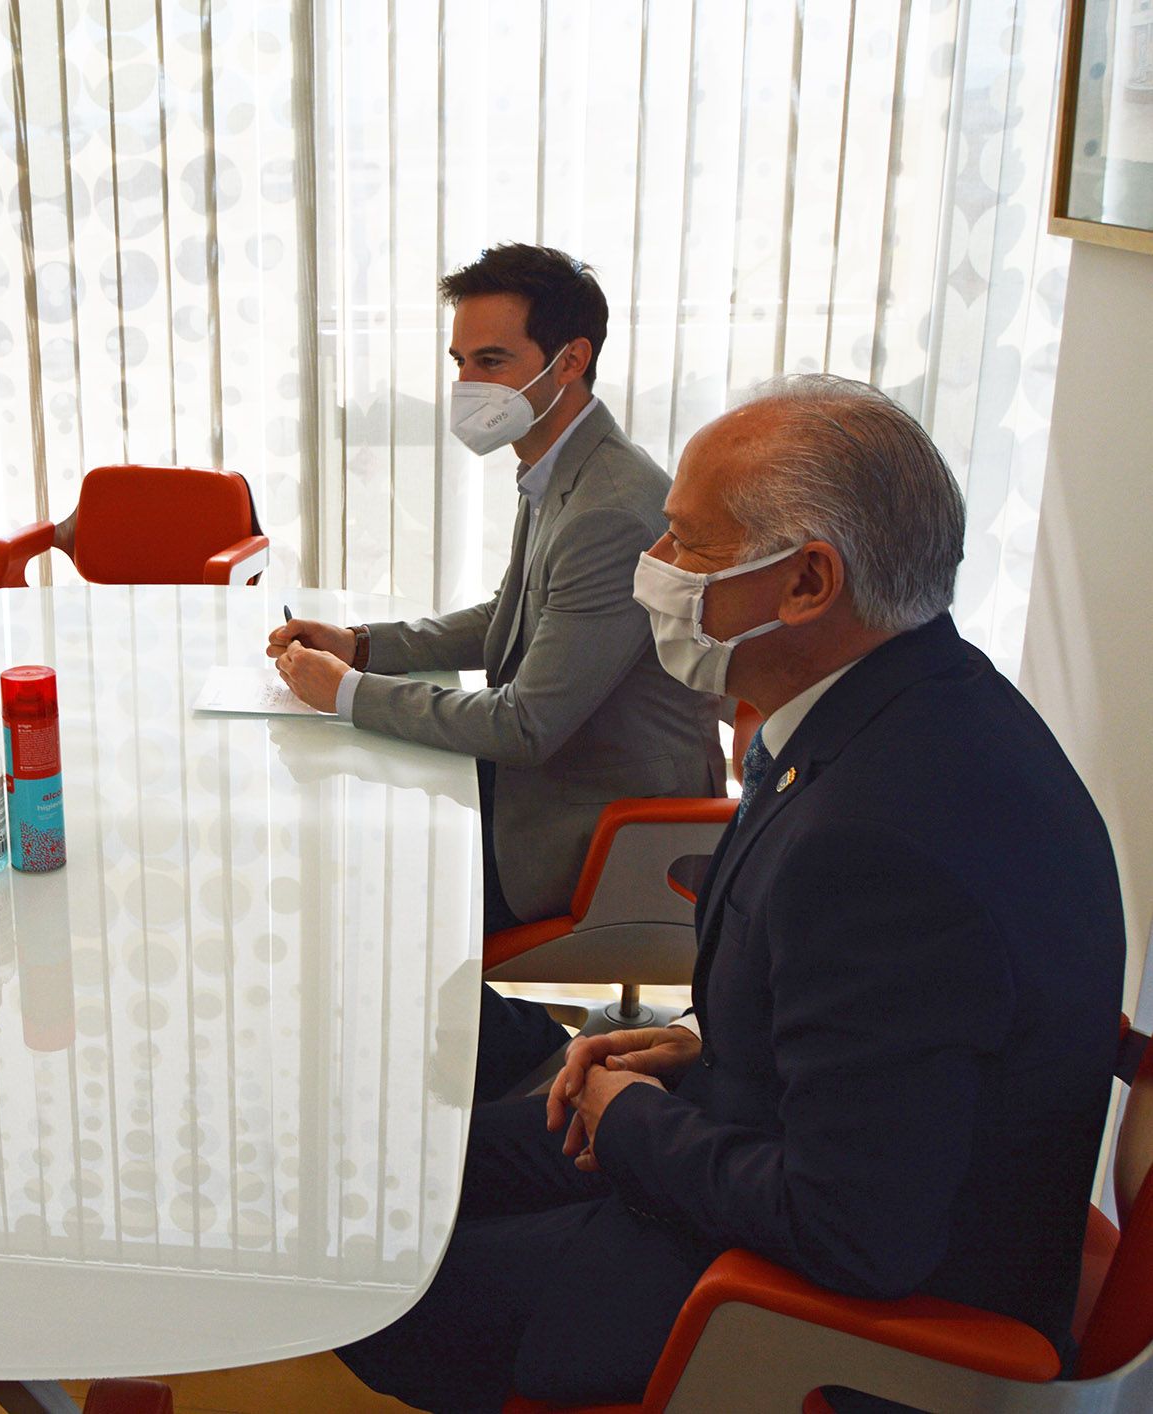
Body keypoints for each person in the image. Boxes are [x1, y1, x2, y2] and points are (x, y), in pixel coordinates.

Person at [337, 374, 1125, 1411]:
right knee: (399, 1184)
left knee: (380, 1289)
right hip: (766, 1120)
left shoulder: (885, 840)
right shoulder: (904, 703)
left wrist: (625, 1118)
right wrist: (705, 1043)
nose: (649, 570)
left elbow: (856, 1230)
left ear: (805, 582)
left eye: (685, 544)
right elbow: (883, 1026)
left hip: (804, 1288)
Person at [271, 244, 721, 1099]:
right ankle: (463, 1074)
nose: (467, 385)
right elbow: (506, 617)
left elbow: (523, 725)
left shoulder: (611, 507)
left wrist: (349, 696)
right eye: (459, 363)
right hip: (567, 789)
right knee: (359, 846)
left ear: (571, 360)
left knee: (374, 899)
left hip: (607, 830)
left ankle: (495, 1086)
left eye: (491, 361)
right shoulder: (561, 472)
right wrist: (361, 646)